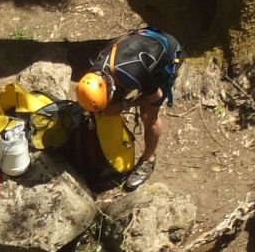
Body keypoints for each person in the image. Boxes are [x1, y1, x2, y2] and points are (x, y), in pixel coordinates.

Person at [75, 25, 183, 190]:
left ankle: (148, 159)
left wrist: (125, 105)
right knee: (109, 106)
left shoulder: (132, 74)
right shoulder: (94, 70)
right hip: (138, 50)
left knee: (148, 115)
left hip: (166, 55)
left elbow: (156, 95)